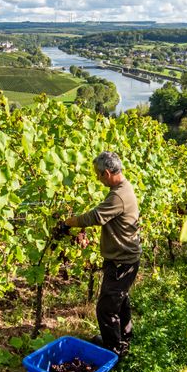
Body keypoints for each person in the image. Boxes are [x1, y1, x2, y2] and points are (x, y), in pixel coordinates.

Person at [54, 151, 141, 357]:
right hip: (124, 259)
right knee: (120, 300)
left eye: (98, 175)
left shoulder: (118, 195)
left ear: (108, 173)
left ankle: (113, 351)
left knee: (105, 309)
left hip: (122, 262)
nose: (97, 179)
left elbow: (94, 217)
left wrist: (67, 223)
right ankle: (124, 339)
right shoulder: (123, 188)